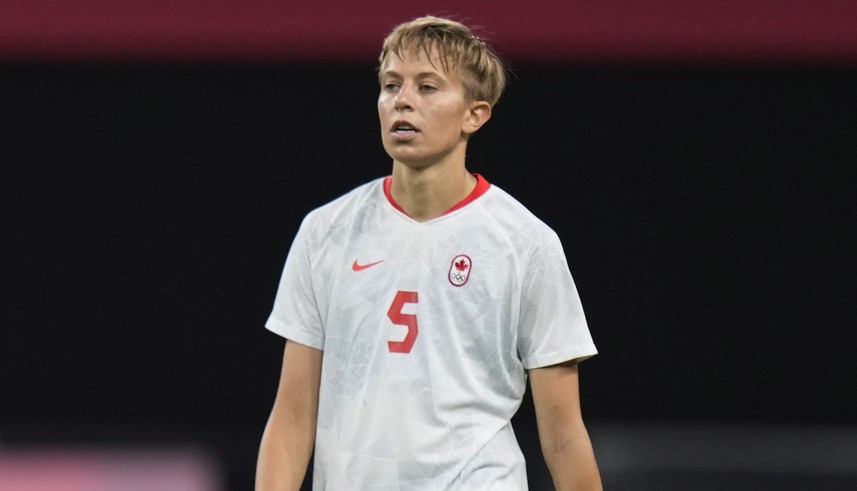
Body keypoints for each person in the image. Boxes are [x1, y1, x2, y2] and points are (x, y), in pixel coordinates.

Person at [256, 15, 602, 491]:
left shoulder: (526, 243)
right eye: (391, 85)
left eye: (428, 87)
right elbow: (293, 417)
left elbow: (563, 435)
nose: (402, 100)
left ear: (474, 115)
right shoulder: (325, 232)